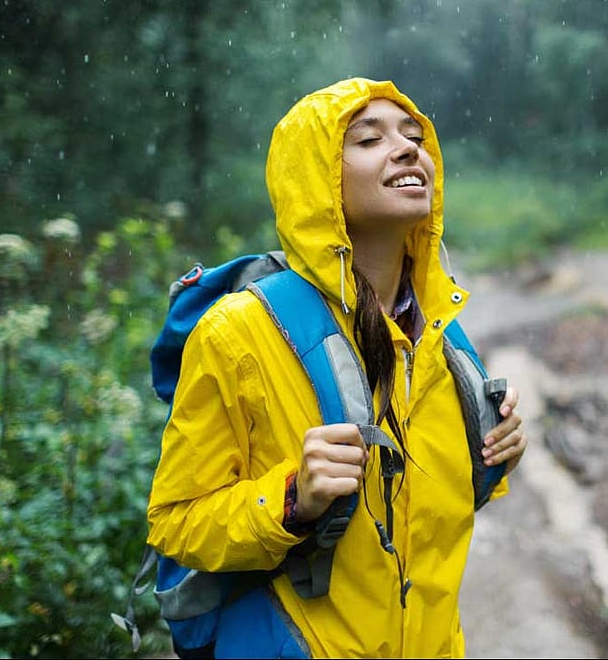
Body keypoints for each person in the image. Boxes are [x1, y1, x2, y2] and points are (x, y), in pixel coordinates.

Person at [146, 77, 527, 658]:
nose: (408, 150)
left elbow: (420, 524)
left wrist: (494, 456)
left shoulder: (438, 341)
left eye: (414, 136)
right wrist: (294, 497)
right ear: (315, 182)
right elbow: (176, 522)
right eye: (368, 140)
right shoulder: (239, 333)